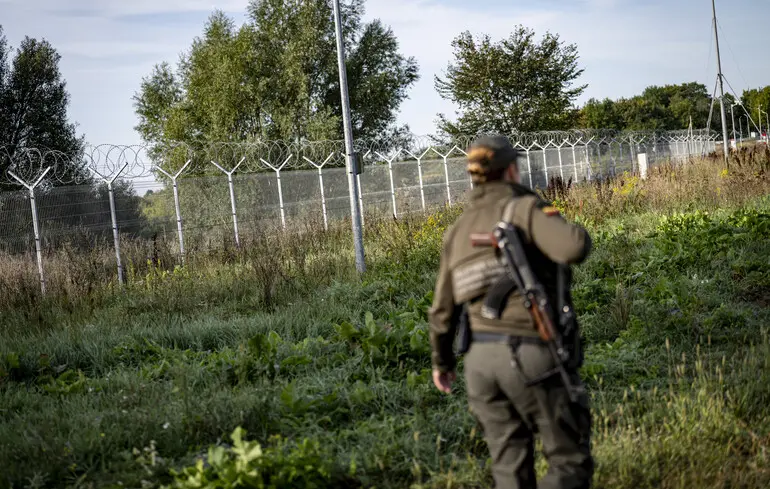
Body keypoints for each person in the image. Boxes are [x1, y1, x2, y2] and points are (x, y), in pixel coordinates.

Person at [428, 135, 594, 489]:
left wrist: (441, 364)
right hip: (531, 352)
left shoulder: (456, 231)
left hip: (479, 367)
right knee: (568, 463)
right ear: (512, 170)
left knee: (509, 472)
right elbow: (574, 246)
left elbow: (442, 311)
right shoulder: (522, 209)